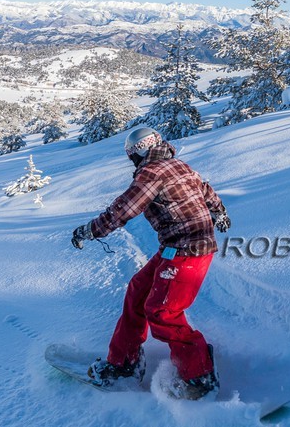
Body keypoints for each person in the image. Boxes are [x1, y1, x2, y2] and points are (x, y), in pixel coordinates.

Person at [69, 127, 231, 400]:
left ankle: (199, 377)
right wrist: (219, 212)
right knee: (138, 291)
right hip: (174, 247)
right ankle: (123, 364)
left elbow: (124, 208)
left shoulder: (151, 173)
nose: (133, 162)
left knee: (162, 312)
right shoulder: (178, 165)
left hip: (187, 249)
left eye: (132, 156)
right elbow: (206, 189)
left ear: (139, 152)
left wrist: (90, 230)